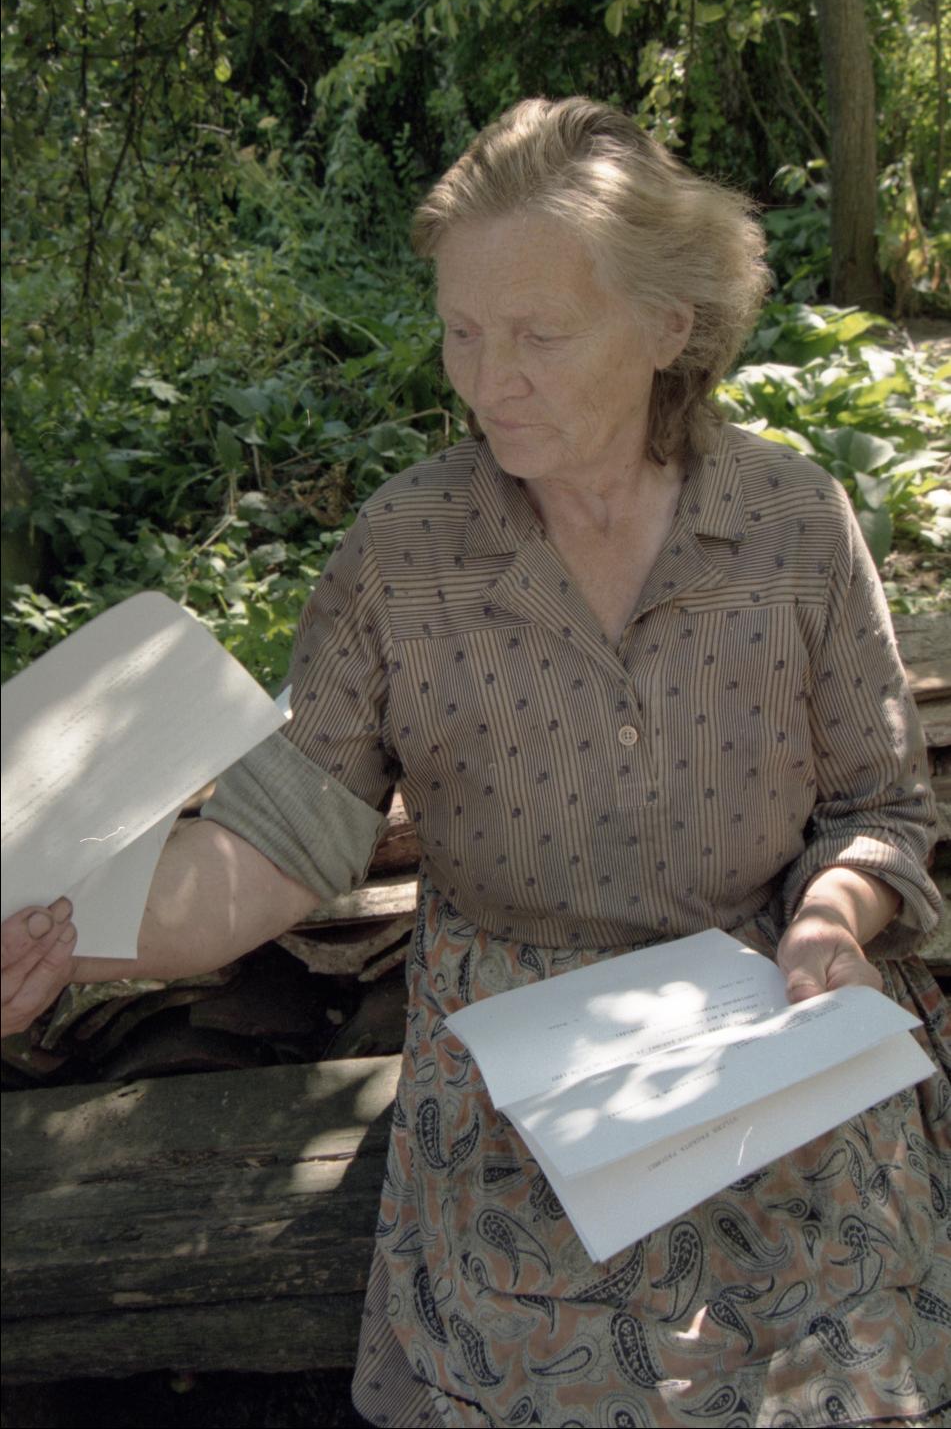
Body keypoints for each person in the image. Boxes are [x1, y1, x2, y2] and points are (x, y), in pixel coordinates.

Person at [2, 98, 948, 1429]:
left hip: (774, 1020)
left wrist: (832, 925)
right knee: (561, 1375)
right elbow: (272, 850)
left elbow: (878, 808)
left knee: (842, 1363)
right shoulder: (406, 552)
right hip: (519, 1063)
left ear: (668, 327)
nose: (488, 378)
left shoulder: (796, 526)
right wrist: (50, 935)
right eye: (461, 332)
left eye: (538, 336)